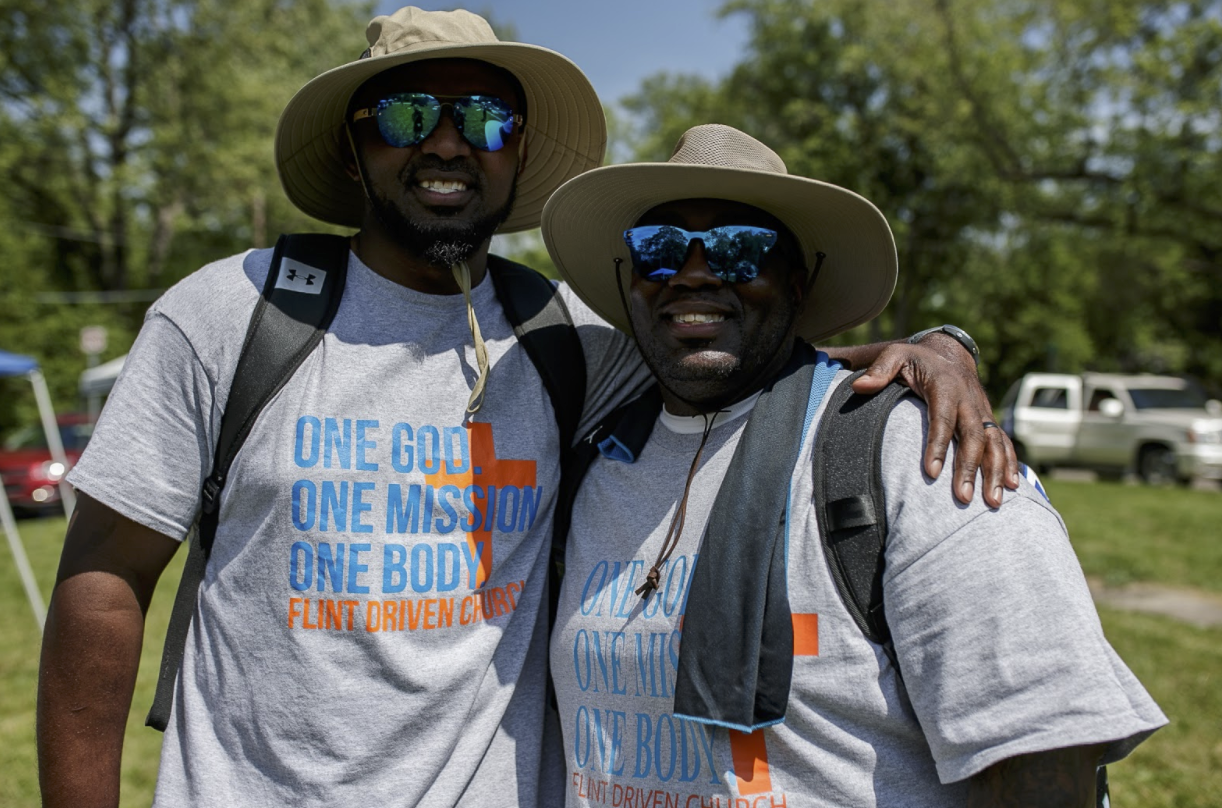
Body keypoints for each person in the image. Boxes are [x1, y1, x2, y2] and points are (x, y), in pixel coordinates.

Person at [37, 9, 1010, 808]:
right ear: (356, 141)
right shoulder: (232, 316)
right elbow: (104, 576)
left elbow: (740, 342)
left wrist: (939, 348)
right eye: (411, 113)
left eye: (488, 122)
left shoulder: (567, 338)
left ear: (520, 154)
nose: (449, 143)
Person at [542, 123, 1167, 807]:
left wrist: (945, 349)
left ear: (799, 284)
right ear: (627, 282)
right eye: (658, 250)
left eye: (740, 249)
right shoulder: (593, 451)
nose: (694, 272)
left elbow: (1044, 756)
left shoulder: (919, 452)